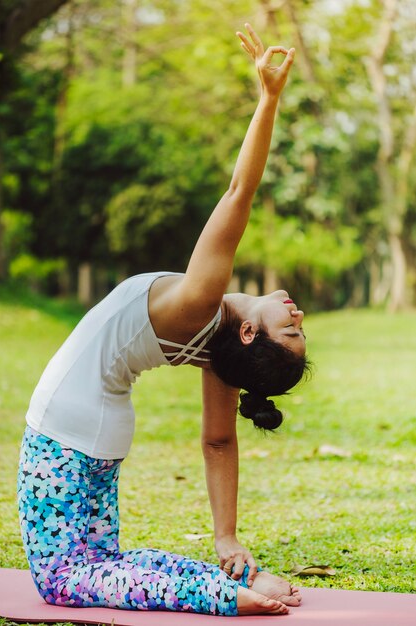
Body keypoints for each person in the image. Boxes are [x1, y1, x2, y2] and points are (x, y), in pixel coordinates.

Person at [17, 24, 308, 617]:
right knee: (92, 565)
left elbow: (238, 193)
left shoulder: (205, 300)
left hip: (67, 426)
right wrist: (230, 547)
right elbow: (218, 441)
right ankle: (233, 583)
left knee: (66, 582)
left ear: (252, 333)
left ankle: (220, 597)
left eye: (293, 328)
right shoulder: (221, 345)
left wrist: (268, 100)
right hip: (92, 425)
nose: (298, 313)